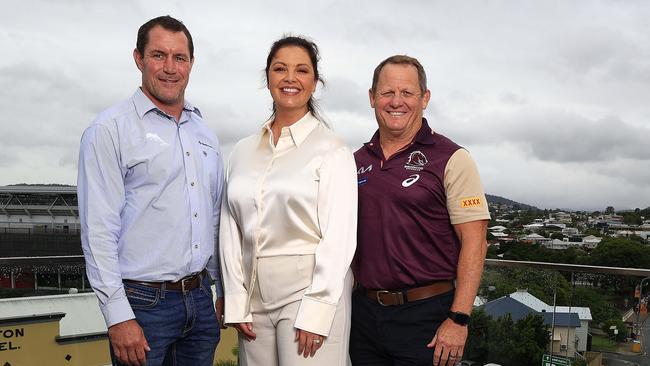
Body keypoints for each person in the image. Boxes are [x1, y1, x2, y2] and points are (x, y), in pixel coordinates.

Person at [77, 15, 224, 366]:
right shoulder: (108, 131)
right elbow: (98, 230)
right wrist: (118, 315)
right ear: (138, 59)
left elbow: (214, 216)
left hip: (201, 301)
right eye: (159, 55)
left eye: (180, 57)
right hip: (142, 306)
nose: (170, 68)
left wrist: (223, 291)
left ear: (191, 63)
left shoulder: (204, 133)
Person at [219, 36, 357, 366]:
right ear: (267, 77)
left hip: (307, 291)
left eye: (301, 70)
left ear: (315, 81)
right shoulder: (241, 151)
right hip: (253, 298)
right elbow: (229, 229)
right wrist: (236, 299)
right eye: (280, 69)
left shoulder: (333, 150)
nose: (290, 78)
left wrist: (319, 308)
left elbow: (339, 237)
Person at [350, 55, 490, 366]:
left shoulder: (452, 158)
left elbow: (475, 241)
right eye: (387, 93)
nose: (396, 101)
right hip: (364, 317)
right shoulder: (355, 161)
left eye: (407, 92)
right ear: (372, 98)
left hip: (427, 319)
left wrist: (459, 319)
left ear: (424, 99)